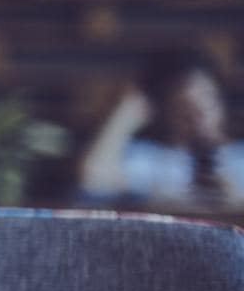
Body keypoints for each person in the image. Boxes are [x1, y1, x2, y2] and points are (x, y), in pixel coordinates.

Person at [76, 49, 244, 208]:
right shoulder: (147, 160)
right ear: (164, 111)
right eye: (184, 108)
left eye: (207, 98)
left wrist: (236, 200)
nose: (199, 115)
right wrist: (125, 116)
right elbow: (92, 182)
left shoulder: (240, 156)